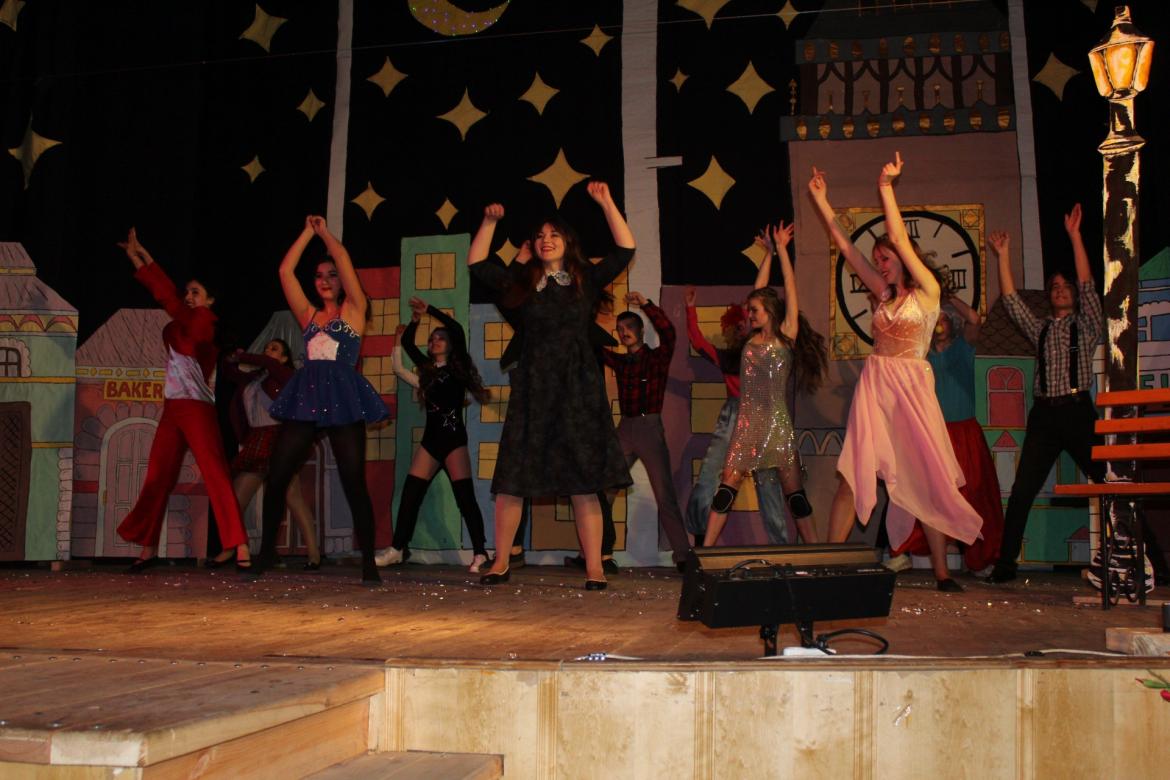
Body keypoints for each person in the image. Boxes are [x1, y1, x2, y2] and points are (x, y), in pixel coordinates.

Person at [809, 154, 982, 592]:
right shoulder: (884, 294)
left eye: (885, 258)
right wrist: (823, 202)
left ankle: (942, 573)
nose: (880, 264)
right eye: (879, 259)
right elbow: (847, 249)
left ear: (904, 259)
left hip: (911, 389)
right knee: (853, 473)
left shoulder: (928, 293)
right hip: (876, 387)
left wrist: (886, 188)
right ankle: (830, 562)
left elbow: (901, 238)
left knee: (927, 477)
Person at [469, 183, 634, 590]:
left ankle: (594, 567)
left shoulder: (584, 280)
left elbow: (625, 249)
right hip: (534, 391)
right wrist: (489, 222)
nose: (546, 240)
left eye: (554, 234)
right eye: (540, 235)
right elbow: (477, 264)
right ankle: (500, 562)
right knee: (513, 480)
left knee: (584, 483)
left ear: (568, 242)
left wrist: (606, 202)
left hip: (577, 391)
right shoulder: (522, 286)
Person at [257, 216, 389, 584]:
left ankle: (368, 563)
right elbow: (285, 271)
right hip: (308, 397)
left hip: (343, 398)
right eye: (318, 276)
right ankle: (265, 552)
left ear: (343, 280)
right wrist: (306, 233)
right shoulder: (308, 315)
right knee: (277, 474)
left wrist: (325, 233)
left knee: (353, 481)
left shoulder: (355, 309)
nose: (325, 280)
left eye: (332, 275)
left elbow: (342, 258)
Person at [113, 228, 251, 574]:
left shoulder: (205, 322)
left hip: (197, 409)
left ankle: (240, 545)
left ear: (210, 300)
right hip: (174, 409)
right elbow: (165, 294)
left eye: (195, 292)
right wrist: (139, 256)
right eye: (187, 291)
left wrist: (144, 260)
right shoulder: (182, 318)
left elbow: (170, 300)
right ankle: (147, 549)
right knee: (157, 477)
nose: (188, 296)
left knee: (216, 475)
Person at [985, 209, 1104, 583]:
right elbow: (1011, 301)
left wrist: (1075, 237)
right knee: (1022, 490)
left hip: (1077, 412)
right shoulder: (1041, 328)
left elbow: (1087, 284)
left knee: (1109, 483)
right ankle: (1006, 565)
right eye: (1053, 287)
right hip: (1045, 417)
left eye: (1064, 286)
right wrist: (1004, 256)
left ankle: (1149, 560)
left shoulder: (1086, 324)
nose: (1059, 290)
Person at [702, 221, 827, 546]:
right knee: (726, 489)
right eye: (749, 310)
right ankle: (706, 551)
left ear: (769, 311)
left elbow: (790, 288)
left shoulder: (786, 336)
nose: (749, 314)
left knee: (795, 496)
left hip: (776, 424)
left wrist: (783, 250)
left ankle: (815, 553)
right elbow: (756, 291)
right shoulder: (750, 338)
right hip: (747, 425)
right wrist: (768, 254)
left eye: (755, 311)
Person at [889, 297, 1006, 573]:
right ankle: (910, 551)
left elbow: (975, 320)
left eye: (943, 318)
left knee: (973, 493)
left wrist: (948, 296)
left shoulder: (962, 347)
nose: (939, 323)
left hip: (964, 432)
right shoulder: (921, 356)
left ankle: (980, 558)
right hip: (933, 434)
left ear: (952, 323)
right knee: (926, 494)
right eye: (935, 319)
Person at [375, 297, 490, 573]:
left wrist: (429, 311)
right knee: (410, 495)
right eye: (432, 339)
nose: (435, 341)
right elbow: (407, 344)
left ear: (450, 344)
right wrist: (415, 322)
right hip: (431, 441)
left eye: (440, 338)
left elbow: (457, 329)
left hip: (453, 441)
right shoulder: (427, 370)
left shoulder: (458, 367)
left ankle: (480, 553)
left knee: (465, 499)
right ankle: (397, 548)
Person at [597, 291, 690, 568]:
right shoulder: (621, 361)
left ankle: (683, 556)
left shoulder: (657, 358)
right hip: (626, 427)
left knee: (664, 494)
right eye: (619, 329)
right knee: (603, 489)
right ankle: (598, 554)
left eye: (628, 327)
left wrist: (646, 305)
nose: (623, 332)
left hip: (649, 427)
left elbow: (669, 333)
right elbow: (593, 348)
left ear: (640, 331)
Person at [211, 339, 322, 570]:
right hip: (258, 438)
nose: (268, 351)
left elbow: (268, 364)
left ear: (284, 358)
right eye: (266, 348)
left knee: (291, 497)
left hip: (278, 437)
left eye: (274, 349)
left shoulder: (284, 374)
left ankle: (313, 554)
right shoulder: (254, 378)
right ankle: (236, 548)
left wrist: (243, 356)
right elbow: (229, 372)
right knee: (239, 499)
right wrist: (229, 358)